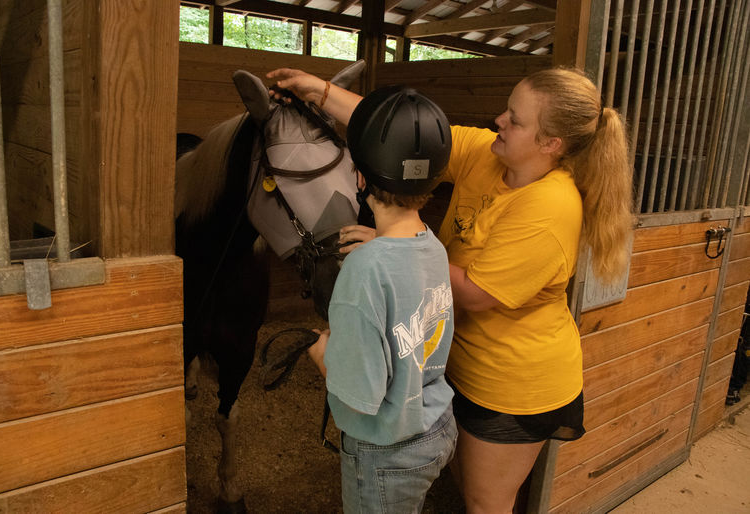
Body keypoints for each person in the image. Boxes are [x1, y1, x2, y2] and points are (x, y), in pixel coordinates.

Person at [268, 66, 633, 513]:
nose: (499, 120)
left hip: (510, 384)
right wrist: (319, 92)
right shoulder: (491, 154)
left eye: (515, 120)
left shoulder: (551, 207)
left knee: (485, 503)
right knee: (461, 489)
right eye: (507, 110)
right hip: (449, 363)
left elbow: (477, 293)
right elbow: (404, 133)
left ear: (550, 144)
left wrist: (393, 244)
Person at [301, 85, 458, 513]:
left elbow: (359, 394)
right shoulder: (433, 245)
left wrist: (323, 356)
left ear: (360, 178)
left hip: (387, 450)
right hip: (437, 425)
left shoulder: (364, 268)